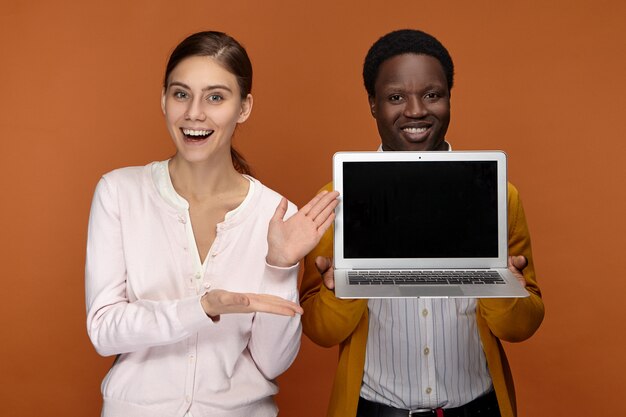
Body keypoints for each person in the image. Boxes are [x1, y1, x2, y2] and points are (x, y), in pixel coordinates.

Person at [85, 31, 338, 417]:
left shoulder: (277, 214)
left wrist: (280, 265)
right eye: (181, 94)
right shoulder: (119, 192)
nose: (194, 113)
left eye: (215, 97)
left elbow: (273, 363)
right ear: (164, 99)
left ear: (244, 107)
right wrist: (200, 308)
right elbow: (105, 330)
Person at [300, 29, 544, 417]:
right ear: (373, 104)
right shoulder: (335, 199)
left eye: (432, 94)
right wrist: (340, 292)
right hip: (375, 410)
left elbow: (523, 327)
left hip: (476, 408)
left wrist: (502, 289)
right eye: (396, 97)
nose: (415, 111)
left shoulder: (499, 195)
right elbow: (319, 331)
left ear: (449, 98)